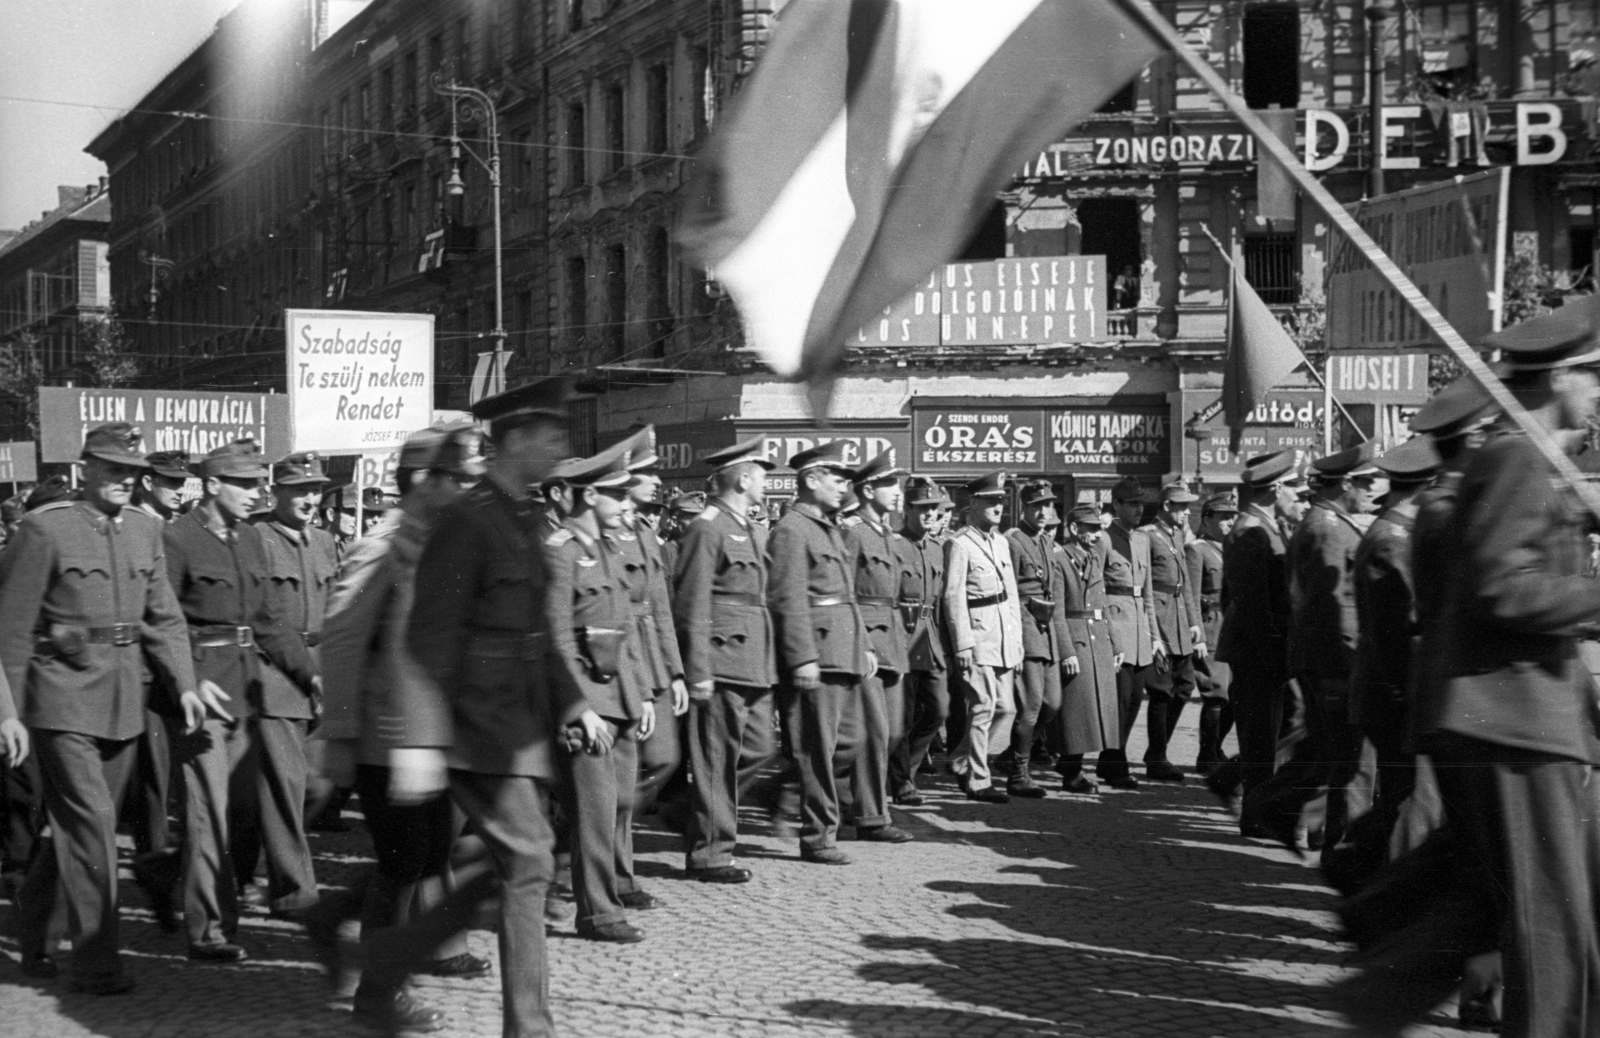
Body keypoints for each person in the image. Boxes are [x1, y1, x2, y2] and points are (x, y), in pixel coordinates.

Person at [367, 378, 594, 1038]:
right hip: (472, 724)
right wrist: (416, 742)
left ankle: (377, 966)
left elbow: (537, 633)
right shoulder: (468, 521)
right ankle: (531, 1028)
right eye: (551, 437)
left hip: (514, 723)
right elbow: (427, 635)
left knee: (483, 866)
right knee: (529, 861)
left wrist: (573, 703)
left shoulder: (522, 518)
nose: (562, 448)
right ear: (515, 441)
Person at [1415, 302, 1600, 1038]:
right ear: (1561, 374)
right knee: (1550, 929)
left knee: (1540, 917)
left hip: (1531, 716)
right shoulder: (1520, 454)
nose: (1599, 396)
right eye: (1595, 378)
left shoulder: (1529, 453)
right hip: (1517, 719)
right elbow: (1502, 584)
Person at [0, 424, 217, 994]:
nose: (126, 479)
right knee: (93, 826)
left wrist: (186, 684)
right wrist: (7, 713)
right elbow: (10, 633)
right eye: (114, 468)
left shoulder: (147, 531)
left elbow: (164, 616)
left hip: (123, 699)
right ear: (86, 468)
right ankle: (97, 962)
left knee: (75, 828)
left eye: (132, 471)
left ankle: (31, 929)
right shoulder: (44, 530)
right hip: (59, 698)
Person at [312, 422, 487, 1031]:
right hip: (386, 735)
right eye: (460, 478)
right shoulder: (384, 545)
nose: (471, 488)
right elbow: (340, 638)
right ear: (425, 480)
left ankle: (335, 917)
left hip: (434, 732)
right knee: (406, 861)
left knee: (427, 854)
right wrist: (338, 734)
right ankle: (378, 994)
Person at [162, 438, 322, 962]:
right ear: (212, 485)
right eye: (245, 484)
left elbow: (270, 620)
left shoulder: (250, 539)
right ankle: (208, 928)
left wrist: (309, 674)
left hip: (250, 689)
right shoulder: (178, 539)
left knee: (240, 811)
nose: (256, 493)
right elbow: (162, 620)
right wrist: (186, 677)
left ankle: (204, 902)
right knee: (208, 812)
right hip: (203, 692)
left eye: (258, 484)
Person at [1244, 443, 1381, 857]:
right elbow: (1333, 608)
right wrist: (1352, 664)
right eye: (1365, 482)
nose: (1371, 490)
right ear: (1344, 485)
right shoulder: (1328, 530)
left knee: (1336, 757)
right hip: (1335, 662)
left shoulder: (1325, 524)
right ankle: (1339, 849)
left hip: (1326, 660)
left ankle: (1305, 824)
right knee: (1350, 764)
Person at [544, 441, 655, 942]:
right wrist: (578, 708)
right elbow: (555, 640)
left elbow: (624, 631)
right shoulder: (561, 554)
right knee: (592, 814)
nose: (628, 505)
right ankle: (599, 913)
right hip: (588, 707)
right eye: (618, 495)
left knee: (615, 808)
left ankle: (582, 893)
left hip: (621, 703)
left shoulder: (608, 551)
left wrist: (643, 695)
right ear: (589, 496)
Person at [1323, 435, 1439, 896]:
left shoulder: (1393, 535)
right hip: (1394, 689)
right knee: (1410, 800)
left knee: (1399, 795)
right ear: (1424, 488)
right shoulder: (1393, 542)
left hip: (1388, 686)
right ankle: (1386, 897)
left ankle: (1369, 881)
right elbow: (1406, 626)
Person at [675, 436, 779, 883]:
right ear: (741, 477)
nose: (765, 483)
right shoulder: (708, 527)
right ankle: (711, 853)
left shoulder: (747, 526)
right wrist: (697, 671)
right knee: (717, 759)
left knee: (759, 748)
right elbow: (691, 604)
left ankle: (690, 808)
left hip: (752, 659)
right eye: (761, 474)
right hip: (720, 661)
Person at [767, 441, 875, 864]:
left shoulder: (825, 526)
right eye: (836, 478)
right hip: (818, 654)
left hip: (842, 649)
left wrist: (862, 644)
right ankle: (817, 836)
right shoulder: (792, 529)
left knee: (850, 742)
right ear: (811, 481)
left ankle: (777, 789)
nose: (844, 485)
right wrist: (801, 657)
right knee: (819, 749)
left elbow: (847, 595)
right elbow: (786, 599)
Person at [237, 452, 339, 889]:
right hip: (275, 676)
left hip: (320, 670)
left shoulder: (323, 541)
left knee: (317, 786)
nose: (309, 498)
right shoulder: (255, 538)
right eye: (299, 490)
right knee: (286, 786)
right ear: (275, 492)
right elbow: (263, 618)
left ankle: (228, 867)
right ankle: (295, 889)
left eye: (315, 489)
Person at [611, 427, 688, 882]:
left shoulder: (644, 532)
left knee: (664, 759)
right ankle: (614, 867)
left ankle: (595, 835)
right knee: (620, 774)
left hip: (654, 659)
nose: (656, 481)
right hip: (623, 660)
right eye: (647, 473)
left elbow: (660, 608)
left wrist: (675, 673)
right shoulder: (608, 534)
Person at [1207, 450, 1297, 822]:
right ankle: (1255, 814)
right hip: (1257, 652)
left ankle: (1231, 782)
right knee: (1260, 735)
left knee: (1273, 730)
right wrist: (1274, 654)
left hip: (1262, 648)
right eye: (1291, 488)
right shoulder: (1249, 532)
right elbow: (1253, 606)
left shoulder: (1263, 528)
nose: (1294, 496)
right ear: (1275, 489)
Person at [840, 453, 914, 841]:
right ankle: (871, 817)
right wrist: (860, 643)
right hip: (867, 640)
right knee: (873, 734)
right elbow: (845, 592)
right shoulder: (853, 532)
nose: (898, 493)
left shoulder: (886, 533)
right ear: (868, 490)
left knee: (893, 731)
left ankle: (834, 797)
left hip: (893, 640)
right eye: (891, 485)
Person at [944, 472, 1023, 804]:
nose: (997, 507)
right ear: (973, 503)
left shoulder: (1001, 541)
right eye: (990, 500)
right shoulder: (959, 544)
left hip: (1002, 637)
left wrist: (1017, 642)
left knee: (1006, 709)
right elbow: (953, 596)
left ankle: (959, 760)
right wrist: (962, 642)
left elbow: (1011, 596)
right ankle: (978, 779)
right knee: (983, 707)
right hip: (977, 637)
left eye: (1001, 501)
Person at [889, 478, 951, 805]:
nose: (929, 514)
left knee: (939, 710)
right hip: (903, 635)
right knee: (903, 714)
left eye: (933, 508)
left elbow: (941, 602)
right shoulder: (895, 545)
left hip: (931, 638)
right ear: (908, 509)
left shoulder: (937, 549)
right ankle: (901, 782)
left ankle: (903, 769)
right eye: (922, 508)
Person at [1003, 480, 1065, 799]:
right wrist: (1013, 639)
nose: (1043, 511)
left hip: (1047, 628)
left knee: (1052, 704)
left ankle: (1009, 755)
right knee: (1030, 706)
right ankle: (1018, 773)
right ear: (1023, 508)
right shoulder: (1013, 541)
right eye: (1037, 506)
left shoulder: (1045, 542)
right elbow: (1009, 595)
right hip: (1026, 628)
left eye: (1048, 505)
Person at [1097, 477, 1159, 790]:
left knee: (1135, 698)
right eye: (1131, 503)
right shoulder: (1103, 540)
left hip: (1139, 628)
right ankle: (1113, 761)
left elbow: (1146, 592)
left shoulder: (1143, 540)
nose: (1138, 509)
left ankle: (1111, 758)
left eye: (1141, 503)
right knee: (1119, 699)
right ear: (1117, 505)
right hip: (1117, 622)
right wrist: (1108, 632)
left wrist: (1155, 634)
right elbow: (1097, 590)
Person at [1138, 481, 1202, 783]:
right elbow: (1146, 585)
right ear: (1166, 507)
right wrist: (1153, 634)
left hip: (1178, 617)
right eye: (1181, 506)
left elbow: (1186, 584)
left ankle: (1157, 750)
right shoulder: (1148, 536)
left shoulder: (1177, 535)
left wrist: (1194, 623)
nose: (1187, 512)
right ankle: (1157, 756)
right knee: (1161, 691)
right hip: (1161, 619)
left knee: (1185, 686)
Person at [1056, 505, 1119, 793]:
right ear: (1073, 529)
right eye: (1091, 528)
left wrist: (1114, 641)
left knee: (1092, 708)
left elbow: (1102, 604)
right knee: (1076, 709)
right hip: (1076, 637)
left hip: (1097, 638)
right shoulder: (1060, 559)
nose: (1097, 534)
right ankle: (1071, 771)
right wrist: (1066, 650)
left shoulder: (1093, 557)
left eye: (1099, 528)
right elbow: (1057, 611)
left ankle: (1070, 764)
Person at [1185, 492, 1237, 774]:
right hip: (1211, 625)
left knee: (1232, 694)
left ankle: (1216, 748)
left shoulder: (1234, 547)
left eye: (1232, 516)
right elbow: (1191, 595)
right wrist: (1198, 635)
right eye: (1223, 516)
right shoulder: (1197, 549)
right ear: (1206, 519)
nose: (1230, 521)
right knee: (1216, 692)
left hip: (1232, 625)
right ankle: (1206, 755)